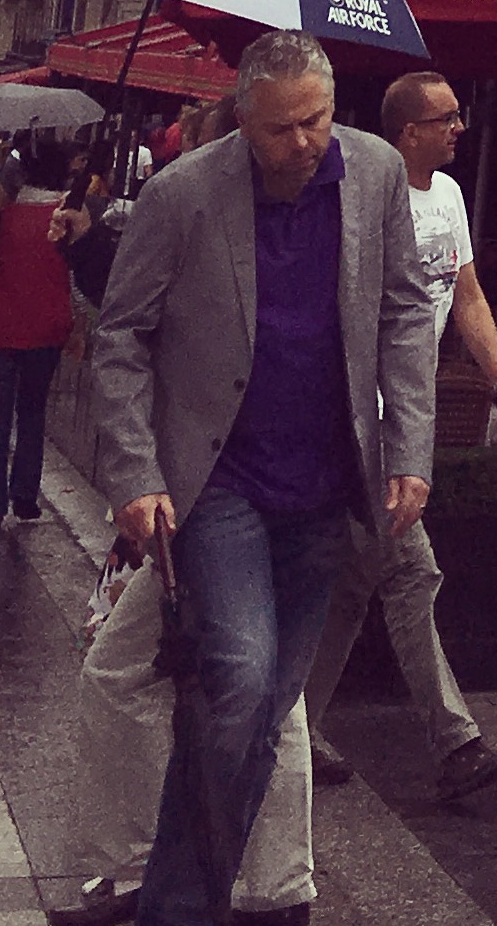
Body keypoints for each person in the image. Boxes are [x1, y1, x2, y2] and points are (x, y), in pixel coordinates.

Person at [92, 27, 435, 926]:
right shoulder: (183, 195)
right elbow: (119, 334)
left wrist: (410, 451)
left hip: (325, 483)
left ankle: (178, 901)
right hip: (218, 483)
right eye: (282, 128)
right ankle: (178, 909)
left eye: (316, 119)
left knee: (264, 705)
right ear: (243, 120)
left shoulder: (374, 174)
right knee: (240, 681)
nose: (304, 142)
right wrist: (133, 469)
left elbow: (404, 308)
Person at [63, 97, 315, 926]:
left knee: (242, 692)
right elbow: (135, 328)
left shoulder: (272, 224)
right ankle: (262, 883)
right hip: (214, 500)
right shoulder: (205, 214)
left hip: (224, 500)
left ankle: (171, 879)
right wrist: (93, 237)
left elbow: (151, 339)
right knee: (257, 693)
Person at [303, 67, 497, 809]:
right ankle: (455, 741)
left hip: (403, 416)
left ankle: (287, 726)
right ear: (408, 131)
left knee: (352, 585)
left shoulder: (451, 197)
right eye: (448, 117)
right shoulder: (363, 192)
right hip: (361, 419)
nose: (460, 126)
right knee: (411, 569)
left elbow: (466, 295)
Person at [0, 132, 77, 531]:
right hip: (45, 327)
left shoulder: (2, 216)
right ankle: (26, 498)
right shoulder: (66, 220)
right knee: (32, 413)